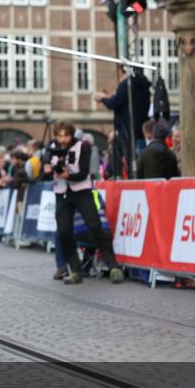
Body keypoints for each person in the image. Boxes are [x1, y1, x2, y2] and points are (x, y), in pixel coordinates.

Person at [48, 121, 124, 285]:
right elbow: (48, 170)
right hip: (62, 193)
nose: (63, 139)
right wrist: (47, 169)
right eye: (60, 136)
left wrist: (68, 176)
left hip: (82, 191)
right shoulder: (52, 148)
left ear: (71, 134)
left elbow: (83, 173)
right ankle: (75, 269)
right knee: (64, 232)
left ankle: (113, 265)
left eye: (66, 135)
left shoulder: (82, 146)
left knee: (95, 225)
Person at [95, 67, 151, 178]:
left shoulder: (127, 84)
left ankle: (121, 178)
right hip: (139, 130)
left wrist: (102, 98)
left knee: (127, 160)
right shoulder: (143, 85)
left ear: (123, 72)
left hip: (127, 129)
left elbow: (115, 103)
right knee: (137, 160)